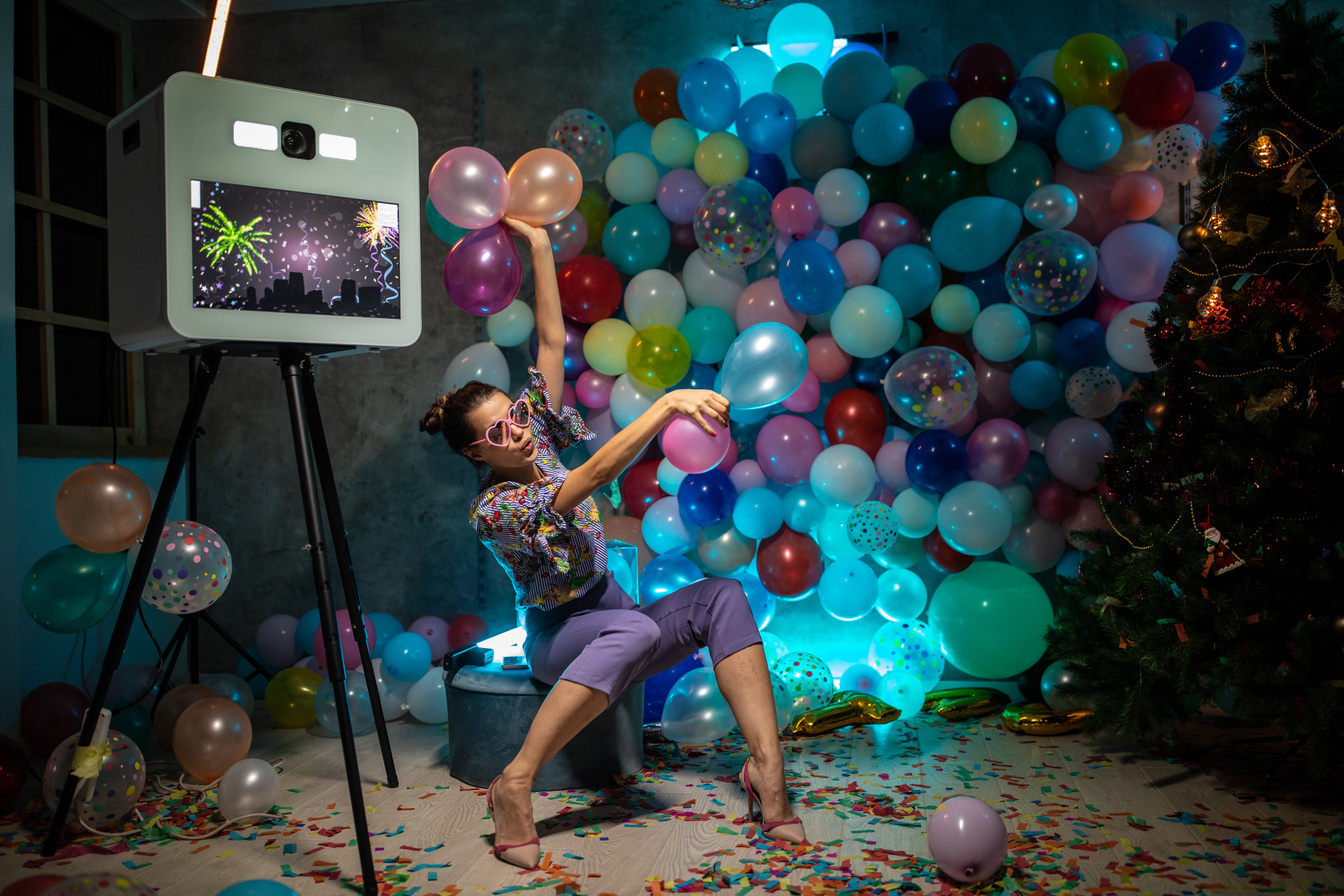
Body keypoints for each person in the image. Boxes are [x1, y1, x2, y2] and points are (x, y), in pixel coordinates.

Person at [419, 216, 806, 869]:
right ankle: (513, 784)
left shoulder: (534, 431)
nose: (512, 433)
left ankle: (767, 775)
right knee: (636, 634)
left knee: (724, 598)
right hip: (558, 636)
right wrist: (665, 407)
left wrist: (538, 244)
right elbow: (592, 476)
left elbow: (548, 338)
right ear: (470, 452)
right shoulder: (494, 509)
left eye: (510, 417)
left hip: (615, 610)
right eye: (492, 435)